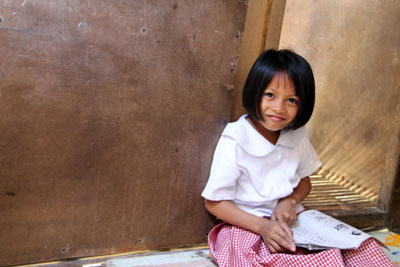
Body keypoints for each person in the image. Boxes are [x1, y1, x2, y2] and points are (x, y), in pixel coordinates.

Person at [201, 49, 394, 266]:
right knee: (258, 260)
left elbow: (304, 182)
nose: (279, 108)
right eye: (270, 95)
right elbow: (215, 202)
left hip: (292, 221)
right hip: (246, 225)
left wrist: (289, 202)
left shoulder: (296, 136)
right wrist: (263, 227)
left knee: (366, 251)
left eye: (291, 100)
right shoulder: (237, 138)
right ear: (255, 91)